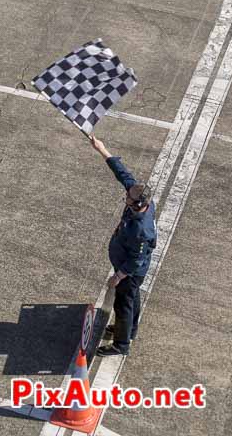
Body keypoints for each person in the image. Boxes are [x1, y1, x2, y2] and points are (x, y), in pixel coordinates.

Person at [89, 135, 157, 357]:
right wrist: (103, 150)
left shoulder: (141, 230)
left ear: (136, 204)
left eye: (128, 198)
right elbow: (124, 175)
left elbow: (136, 260)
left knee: (123, 304)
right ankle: (129, 331)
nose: (126, 196)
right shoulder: (141, 199)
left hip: (131, 272)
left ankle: (121, 344)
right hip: (129, 266)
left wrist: (118, 276)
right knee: (132, 299)